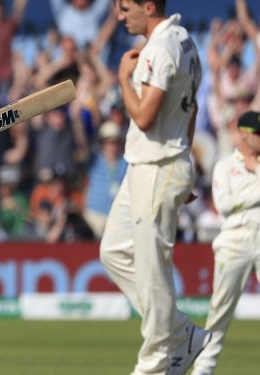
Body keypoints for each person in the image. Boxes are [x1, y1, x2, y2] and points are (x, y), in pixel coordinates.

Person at [99, 1, 211, 374]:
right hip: (149, 164)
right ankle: (183, 334)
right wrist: (187, 161)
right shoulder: (185, 41)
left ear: (149, 5)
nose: (120, 15)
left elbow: (145, 117)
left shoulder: (160, 48)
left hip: (158, 167)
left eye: (126, 7)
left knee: (153, 272)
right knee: (114, 251)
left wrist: (121, 81)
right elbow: (190, 111)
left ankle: (153, 364)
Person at [191, 111, 260, 375]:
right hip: (235, 240)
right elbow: (225, 205)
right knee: (219, 311)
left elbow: (236, 200)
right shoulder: (224, 165)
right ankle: (203, 370)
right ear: (244, 134)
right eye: (258, 134)